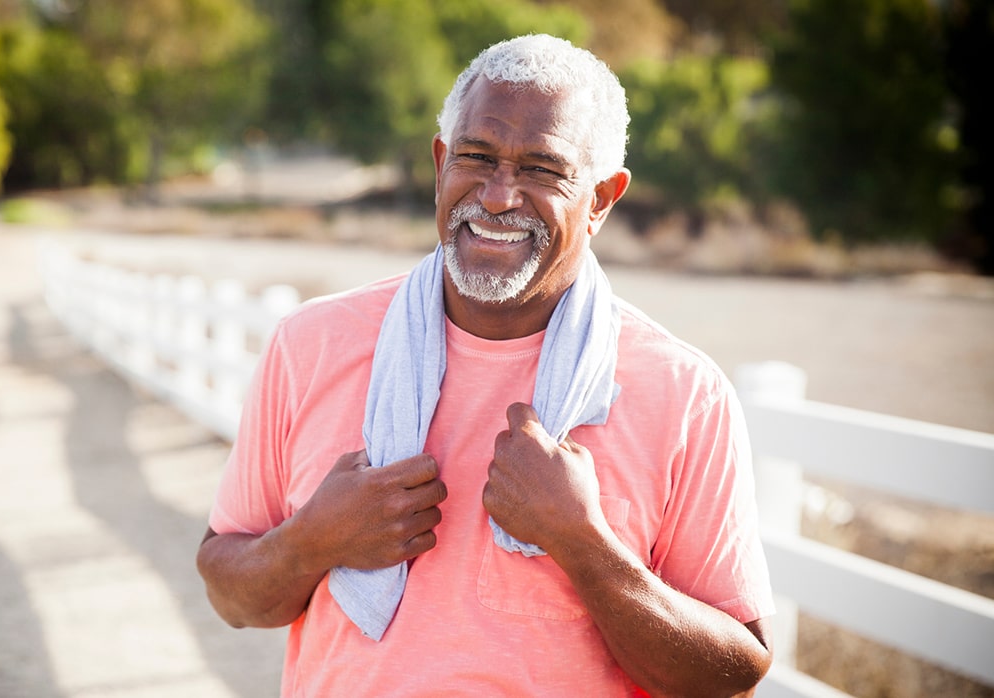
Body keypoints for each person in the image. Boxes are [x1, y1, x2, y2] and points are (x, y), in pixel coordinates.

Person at [197, 34, 775, 697]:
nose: (498, 196)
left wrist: (582, 542)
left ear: (603, 200)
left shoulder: (682, 393)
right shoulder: (312, 343)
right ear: (442, 162)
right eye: (477, 157)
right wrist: (313, 540)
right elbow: (230, 595)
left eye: (541, 169)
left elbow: (733, 677)